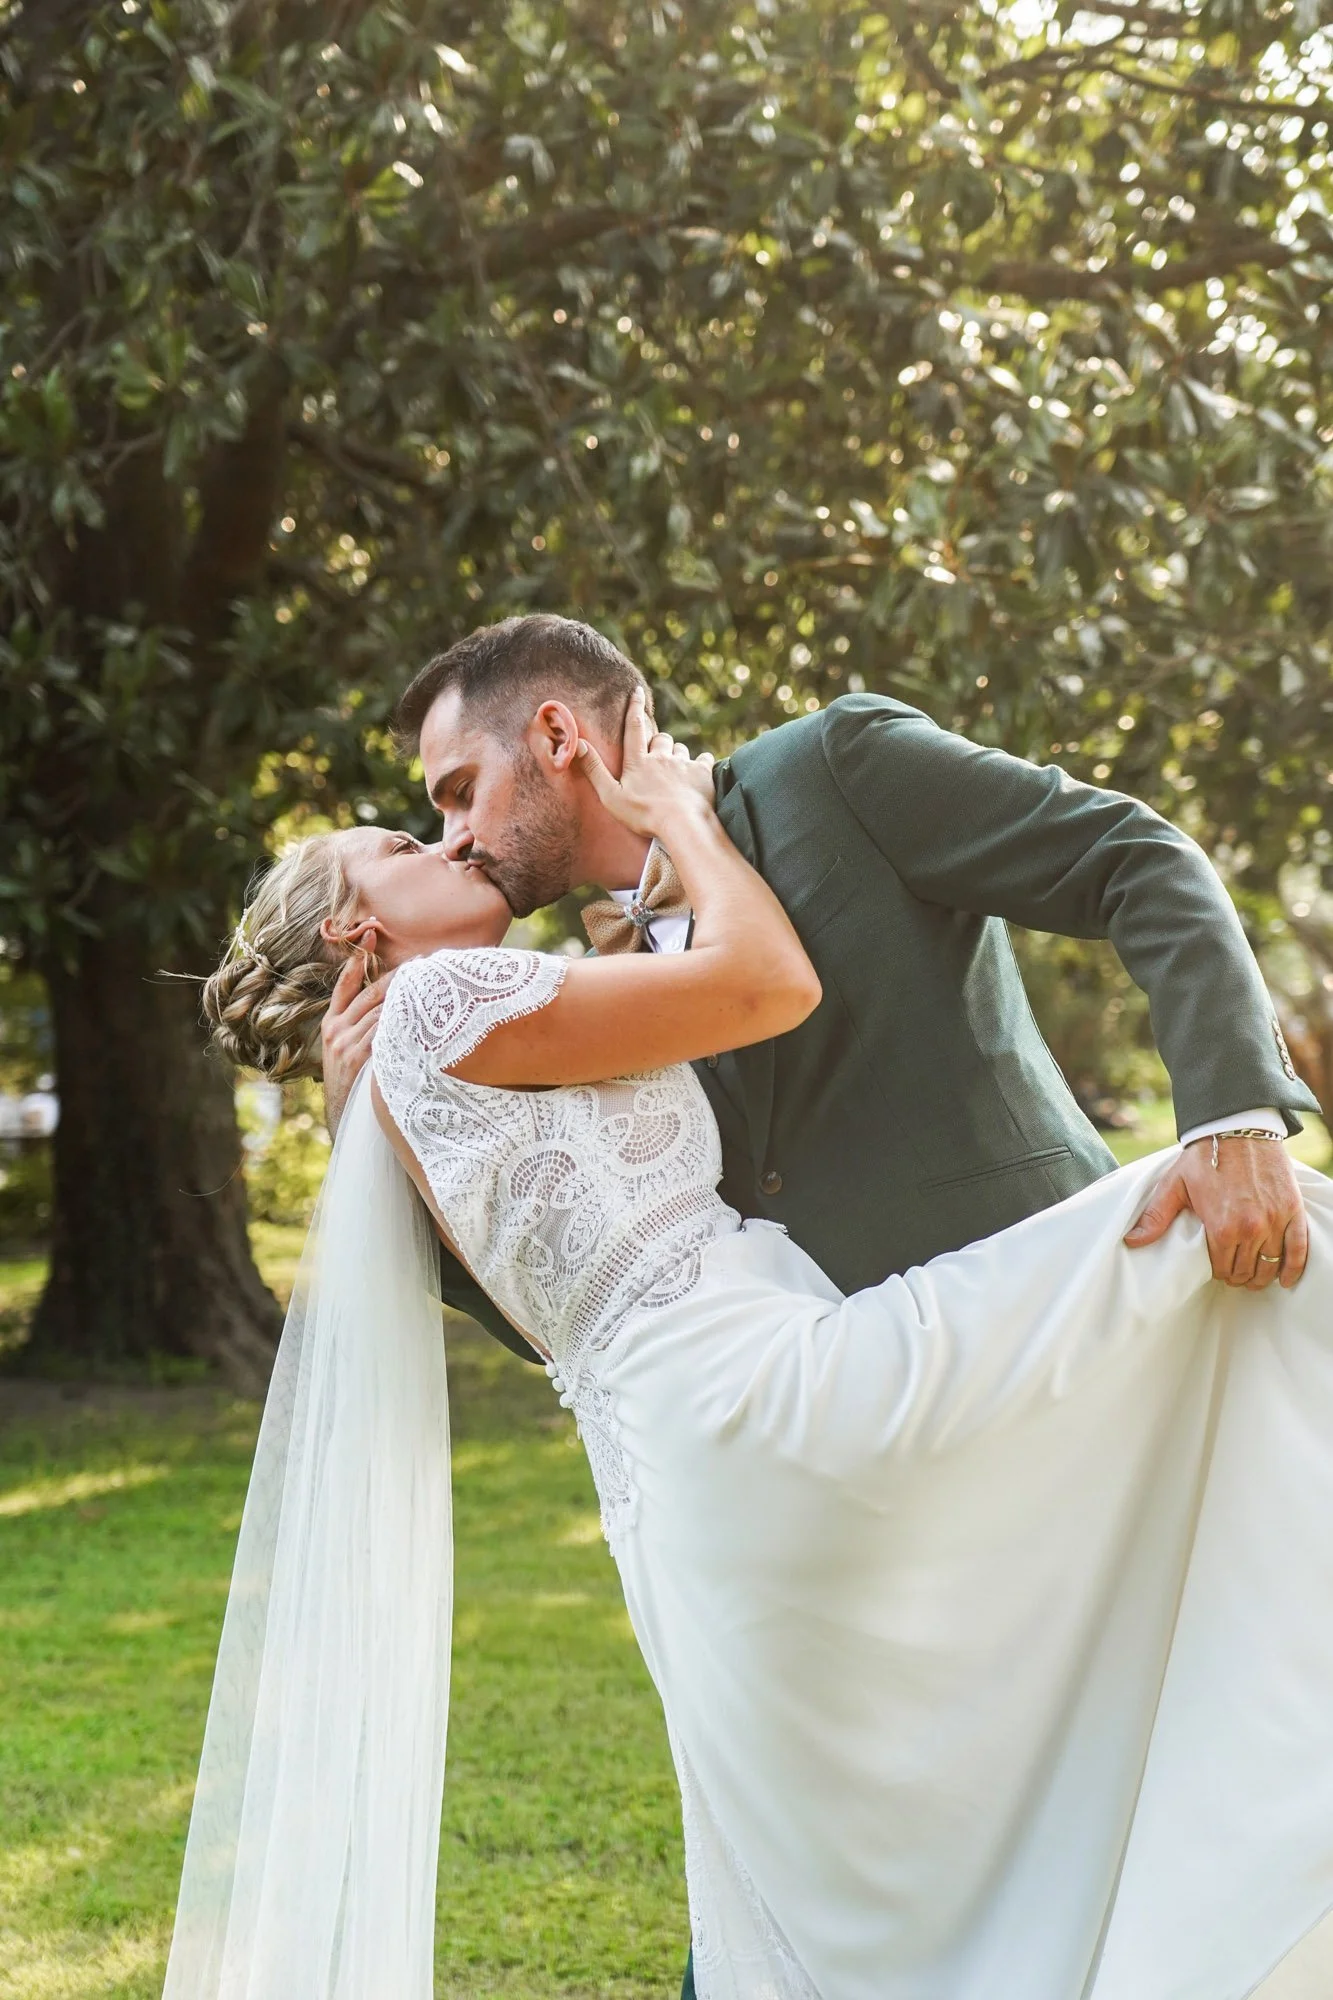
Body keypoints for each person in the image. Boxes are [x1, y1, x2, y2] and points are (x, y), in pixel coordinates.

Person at [166, 694, 1333, 2000]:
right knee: (1252, 1230)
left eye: (449, 800)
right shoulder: (444, 1006)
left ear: (557, 732)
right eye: (409, 840)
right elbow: (770, 986)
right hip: (764, 1389)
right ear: (352, 926)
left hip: (679, 1475)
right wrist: (680, 819)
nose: (451, 844)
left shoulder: (389, 1087)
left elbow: (540, 1286)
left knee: (822, 1868)